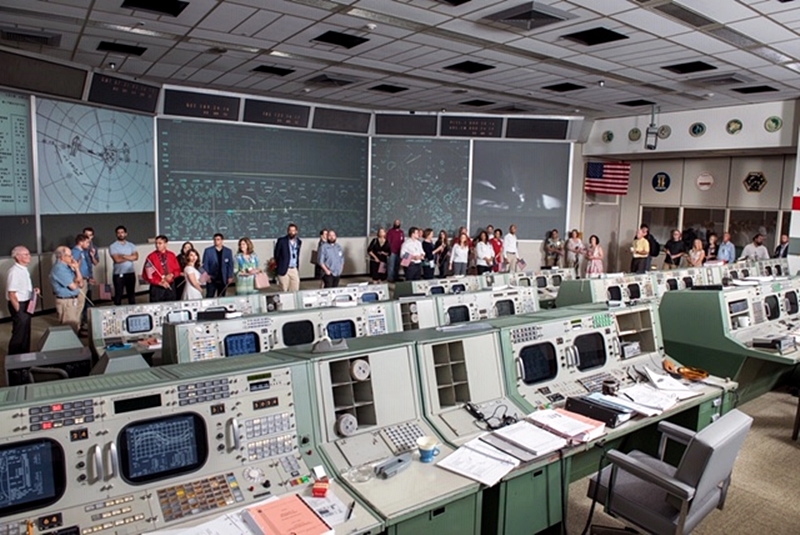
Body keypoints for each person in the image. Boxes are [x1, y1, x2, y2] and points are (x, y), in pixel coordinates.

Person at [6, 246, 39, 355]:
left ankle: (24, 356)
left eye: (29, 254)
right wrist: (19, 310)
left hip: (26, 303)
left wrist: (32, 291)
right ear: (18, 257)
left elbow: (21, 287)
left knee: (26, 333)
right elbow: (12, 293)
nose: (29, 256)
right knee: (19, 334)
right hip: (19, 305)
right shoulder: (14, 272)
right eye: (26, 254)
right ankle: (14, 359)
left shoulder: (23, 269)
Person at [50, 246, 85, 333]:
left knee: (75, 325)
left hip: (73, 300)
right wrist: (77, 281)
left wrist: (77, 268)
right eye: (70, 256)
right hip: (66, 302)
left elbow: (81, 284)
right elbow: (73, 286)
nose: (72, 258)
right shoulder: (59, 269)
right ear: (62, 257)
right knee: (69, 329)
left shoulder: (68, 267)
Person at [142, 235, 181, 302]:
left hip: (170, 285)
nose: (157, 245)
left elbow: (178, 270)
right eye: (156, 243)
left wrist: (172, 275)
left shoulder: (172, 255)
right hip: (157, 287)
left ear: (165, 244)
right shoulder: (151, 257)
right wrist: (159, 282)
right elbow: (147, 275)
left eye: (160, 243)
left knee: (171, 305)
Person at [109, 225, 138, 305]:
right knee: (118, 295)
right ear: (116, 234)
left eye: (122, 232)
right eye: (118, 233)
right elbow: (117, 260)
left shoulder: (131, 245)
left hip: (130, 273)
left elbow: (136, 257)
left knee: (131, 295)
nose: (120, 234)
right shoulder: (113, 246)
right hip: (118, 274)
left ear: (126, 234)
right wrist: (129, 257)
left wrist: (123, 256)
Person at [71, 233, 92, 333]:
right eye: (87, 242)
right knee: (79, 305)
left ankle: (79, 326)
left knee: (81, 304)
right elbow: (74, 268)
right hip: (80, 281)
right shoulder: (76, 252)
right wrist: (79, 280)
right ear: (81, 242)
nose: (89, 244)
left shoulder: (82, 252)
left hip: (85, 279)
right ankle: (77, 328)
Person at [274, 223, 302, 292]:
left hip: (294, 268)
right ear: (288, 231)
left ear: (296, 232)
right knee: (284, 289)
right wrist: (280, 264)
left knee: (295, 287)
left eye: (293, 231)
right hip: (284, 267)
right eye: (290, 230)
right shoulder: (281, 241)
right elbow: (276, 254)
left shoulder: (299, 241)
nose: (292, 232)